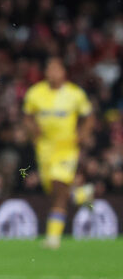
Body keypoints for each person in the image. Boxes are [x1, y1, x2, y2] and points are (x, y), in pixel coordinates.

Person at [23, 57, 95, 249]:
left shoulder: (75, 94)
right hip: (44, 149)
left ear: (64, 72)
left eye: (56, 69)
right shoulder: (35, 93)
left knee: (58, 184)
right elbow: (28, 117)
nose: (52, 72)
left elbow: (89, 118)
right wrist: (33, 130)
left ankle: (53, 238)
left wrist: (82, 136)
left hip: (66, 148)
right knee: (54, 192)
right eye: (49, 68)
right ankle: (81, 195)